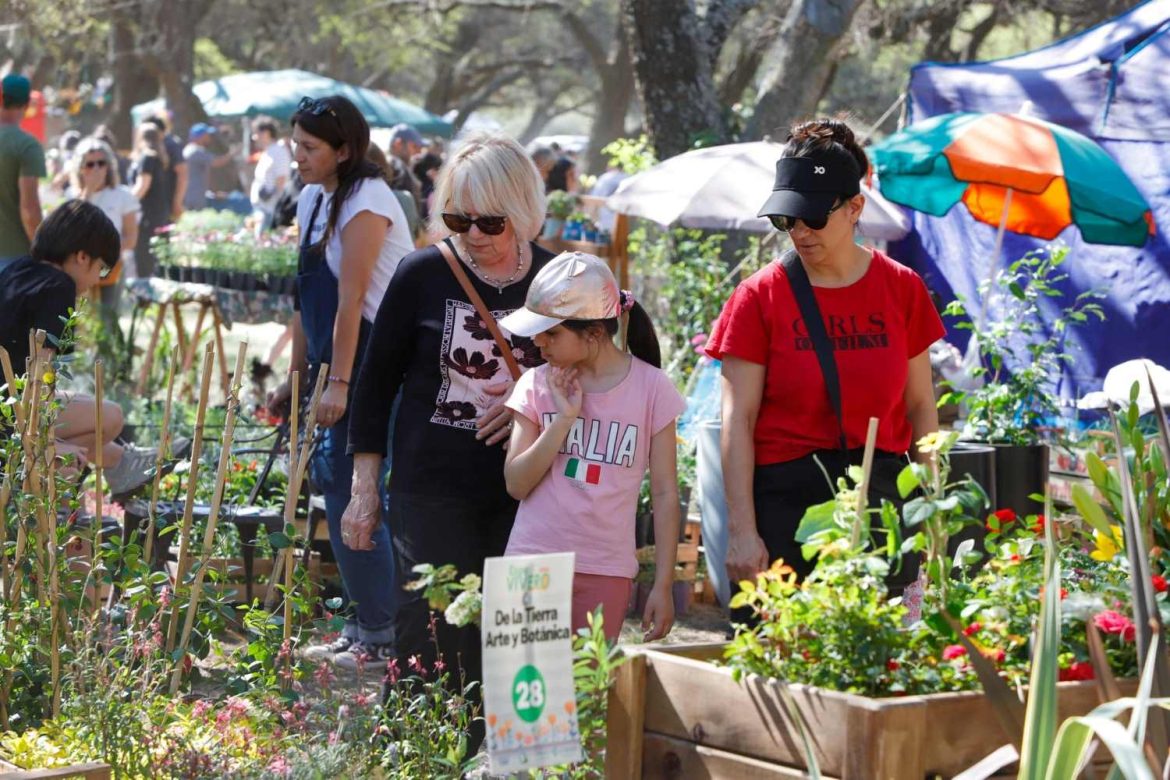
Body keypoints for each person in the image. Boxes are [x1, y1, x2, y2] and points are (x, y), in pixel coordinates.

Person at [343, 131, 553, 748]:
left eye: (489, 220)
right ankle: (421, 756)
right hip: (430, 487)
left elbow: (604, 375)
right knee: (431, 627)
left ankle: (522, 760)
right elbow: (374, 388)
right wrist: (363, 490)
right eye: (458, 219)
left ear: (521, 210)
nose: (474, 234)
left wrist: (525, 404)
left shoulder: (556, 280)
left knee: (521, 635)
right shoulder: (421, 273)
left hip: (529, 493)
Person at [705, 118, 945, 593]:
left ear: (855, 207)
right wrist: (741, 532)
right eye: (785, 219)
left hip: (881, 503)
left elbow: (921, 408)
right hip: (783, 511)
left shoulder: (902, 289)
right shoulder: (758, 298)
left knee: (880, 659)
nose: (799, 231)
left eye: (813, 216)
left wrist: (933, 515)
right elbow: (738, 420)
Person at [264, 95, 414, 668]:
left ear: (344, 150)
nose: (296, 156)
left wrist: (341, 384)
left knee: (362, 490)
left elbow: (352, 301)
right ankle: (364, 620)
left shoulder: (370, 200)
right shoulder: (310, 198)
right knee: (333, 483)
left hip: (379, 362)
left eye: (308, 147)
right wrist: (297, 376)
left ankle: (385, 631)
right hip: (337, 364)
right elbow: (308, 297)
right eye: (293, 144)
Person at [499, 251, 685, 642]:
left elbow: (667, 494)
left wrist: (663, 585)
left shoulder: (653, 389)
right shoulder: (535, 384)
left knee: (587, 700)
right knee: (521, 704)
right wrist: (563, 421)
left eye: (551, 333)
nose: (538, 342)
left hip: (607, 571)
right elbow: (516, 483)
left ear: (595, 334)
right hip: (530, 562)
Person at [0, 200, 157, 495]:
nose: (96, 282)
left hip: (8, 398)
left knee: (90, 410)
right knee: (110, 417)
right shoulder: (60, 287)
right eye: (101, 269)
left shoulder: (18, 269)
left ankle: (120, 462)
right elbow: (40, 379)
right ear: (83, 257)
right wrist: (47, 445)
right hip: (10, 414)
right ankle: (40, 459)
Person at [70, 136, 140, 332]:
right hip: (79, 268)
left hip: (110, 266)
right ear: (80, 168)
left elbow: (131, 238)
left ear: (109, 166)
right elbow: (69, 229)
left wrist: (104, 254)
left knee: (106, 320)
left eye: (101, 163)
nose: (96, 169)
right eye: (89, 164)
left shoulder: (123, 195)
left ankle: (107, 362)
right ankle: (80, 362)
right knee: (79, 323)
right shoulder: (72, 196)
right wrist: (88, 191)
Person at [0, 74, 45, 262]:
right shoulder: (27, 146)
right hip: (14, 257)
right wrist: (45, 252)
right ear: (28, 104)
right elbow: (29, 209)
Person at [129, 124, 171, 277]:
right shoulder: (158, 158)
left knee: (145, 261)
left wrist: (124, 203)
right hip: (158, 215)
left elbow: (142, 186)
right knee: (157, 259)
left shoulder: (147, 158)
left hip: (147, 217)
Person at [142, 115, 187, 225]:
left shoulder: (171, 144)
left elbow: (182, 174)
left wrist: (177, 203)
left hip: (166, 202)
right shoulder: (153, 146)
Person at [250, 117, 291, 227]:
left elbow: (281, 180)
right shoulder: (268, 151)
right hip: (261, 207)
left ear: (266, 133)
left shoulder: (279, 152)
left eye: (256, 133)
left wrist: (277, 206)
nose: (254, 138)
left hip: (270, 209)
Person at [182, 123, 232, 211]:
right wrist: (232, 153)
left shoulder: (189, 149)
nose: (209, 138)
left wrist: (211, 193)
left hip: (191, 195)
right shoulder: (196, 150)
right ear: (201, 136)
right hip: (194, 198)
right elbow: (217, 162)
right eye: (207, 135)